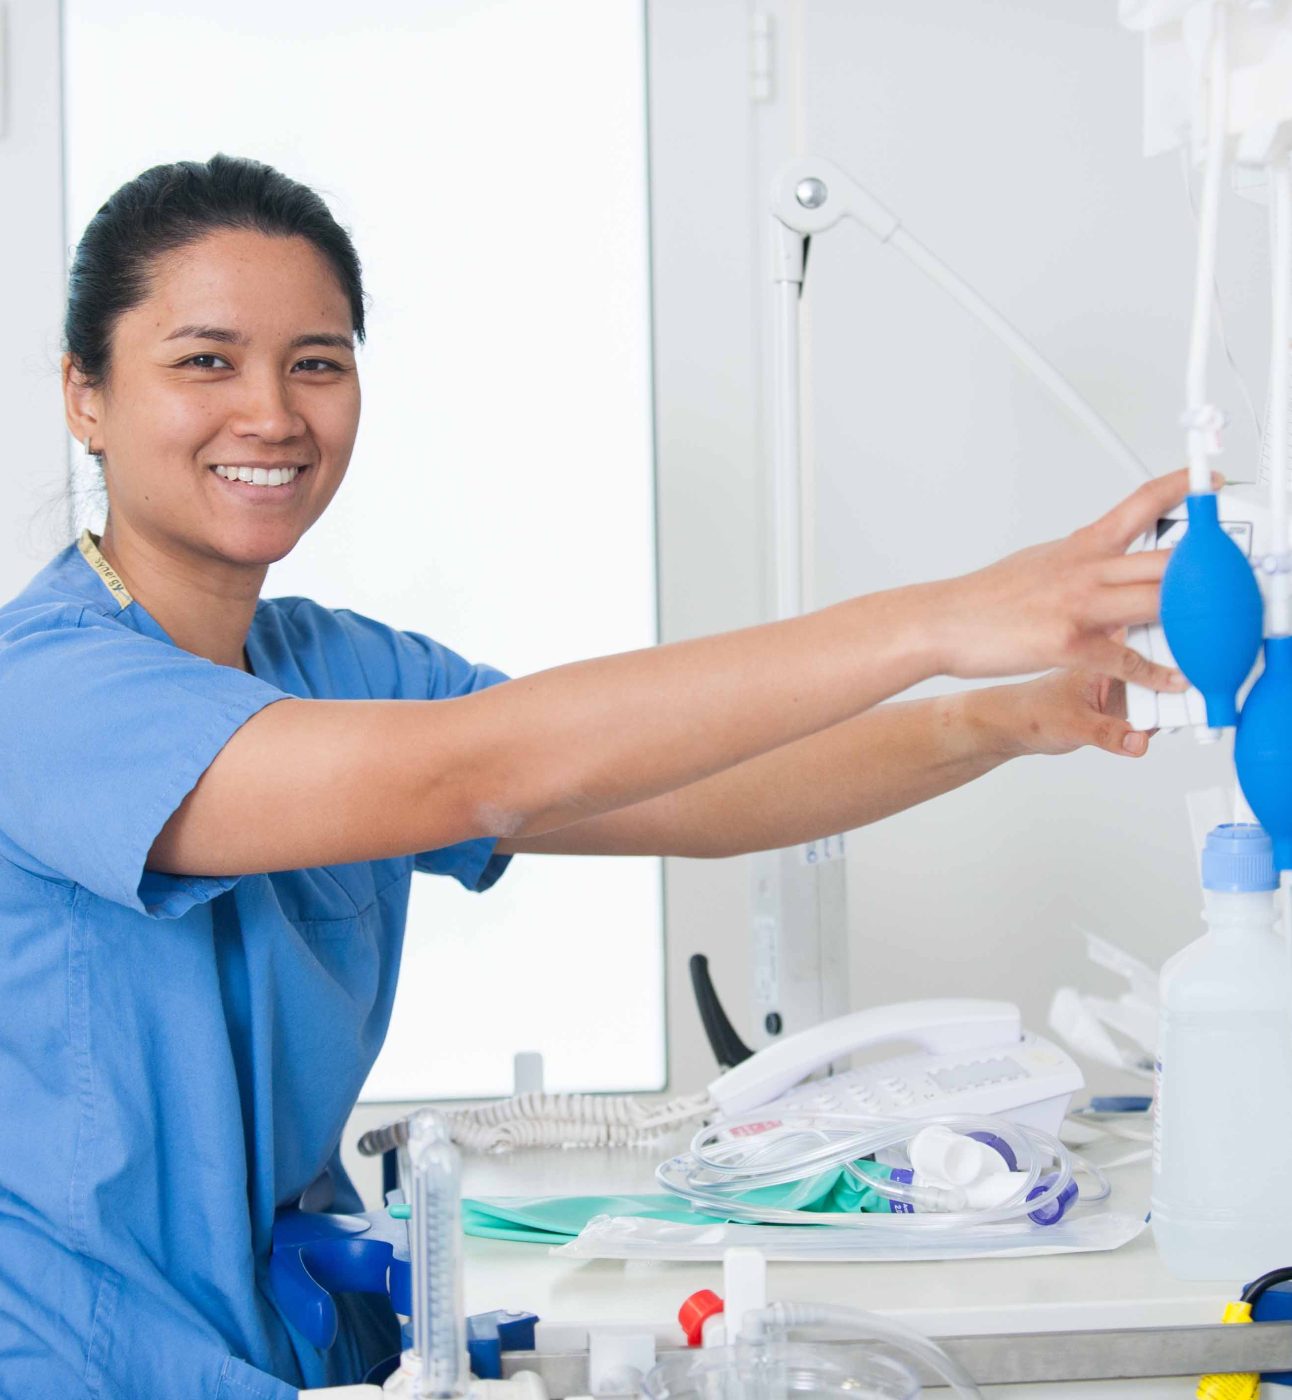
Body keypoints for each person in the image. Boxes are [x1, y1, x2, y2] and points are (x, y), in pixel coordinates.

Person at [0, 154, 1189, 1400]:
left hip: (297, 1350)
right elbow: (486, 775)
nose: (272, 413)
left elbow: (689, 790)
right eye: (205, 360)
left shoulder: (327, 662)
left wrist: (1000, 718)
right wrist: (936, 619)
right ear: (85, 393)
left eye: (317, 360)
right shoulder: (46, 696)